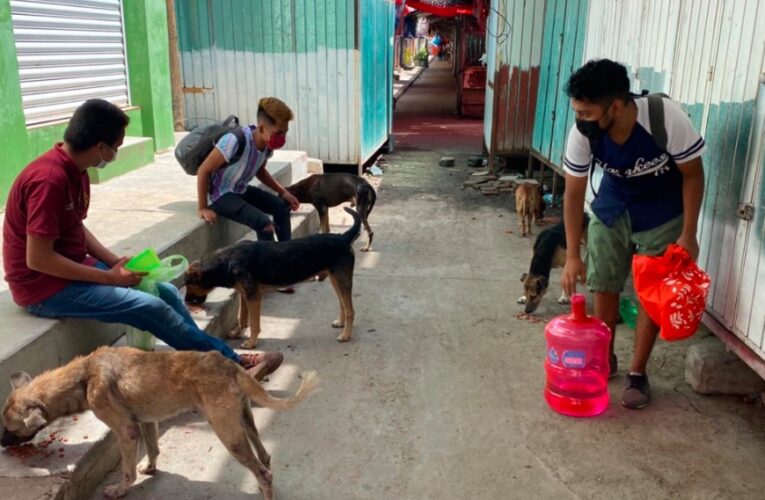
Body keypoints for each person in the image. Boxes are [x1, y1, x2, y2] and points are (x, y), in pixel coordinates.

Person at [2, 99, 282, 378]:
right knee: (150, 307)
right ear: (101, 147)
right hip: (43, 288)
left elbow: (74, 225)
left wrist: (114, 261)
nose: (114, 155)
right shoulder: (49, 180)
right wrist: (110, 277)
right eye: (116, 148)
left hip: (73, 268)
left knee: (167, 292)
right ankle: (233, 366)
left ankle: (208, 360)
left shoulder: (75, 171)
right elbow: (38, 259)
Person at [560, 59, 705, 409]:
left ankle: (637, 374)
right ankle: (604, 356)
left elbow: (693, 175)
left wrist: (689, 233)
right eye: (577, 111)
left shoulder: (664, 118)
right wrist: (572, 256)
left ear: (616, 106)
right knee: (604, 282)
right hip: (613, 203)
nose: (581, 119)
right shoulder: (584, 131)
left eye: (587, 112)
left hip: (661, 209)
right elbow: (574, 191)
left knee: (650, 294)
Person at [196, 97, 300, 293]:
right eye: (278, 132)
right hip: (220, 196)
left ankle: (286, 261)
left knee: (281, 207)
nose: (282, 137)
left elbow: (261, 172)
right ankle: (270, 275)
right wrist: (203, 207)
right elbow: (204, 170)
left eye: (285, 132)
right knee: (264, 224)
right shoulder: (234, 140)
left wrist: (283, 192)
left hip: (240, 189)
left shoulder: (268, 145)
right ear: (261, 128)